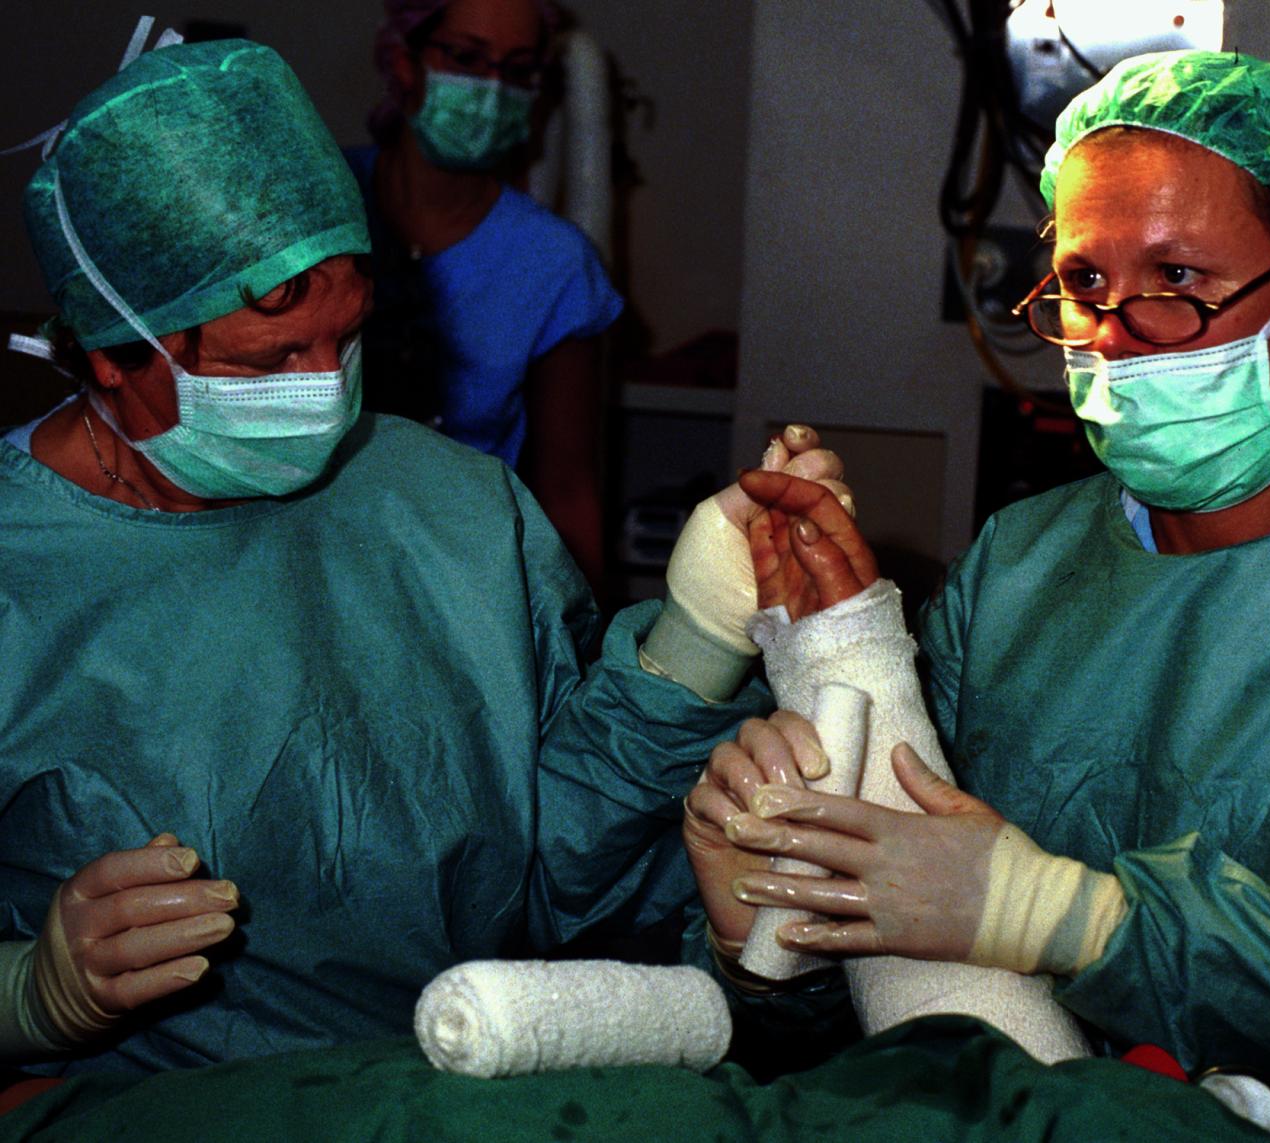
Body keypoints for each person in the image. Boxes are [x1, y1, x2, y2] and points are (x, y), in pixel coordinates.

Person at [686, 51, 1270, 1142]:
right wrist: (772, 944)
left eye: (1177, 282)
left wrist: (1068, 919)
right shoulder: (1020, 566)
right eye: (1081, 286)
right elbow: (914, 1005)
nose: (1114, 339)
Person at [0, 31, 835, 1077]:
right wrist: (30, 994)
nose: (326, 387)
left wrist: (699, 636)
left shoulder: (452, 505)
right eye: (272, 361)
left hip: (462, 1081)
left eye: (345, 339)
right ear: (109, 352)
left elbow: (559, 863)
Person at [351, 0, 617, 584]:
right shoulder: (322, 208)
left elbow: (567, 490)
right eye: (467, 59)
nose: (492, 89)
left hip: (463, 581)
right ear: (403, 62)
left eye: (517, 70)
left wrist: (587, 649)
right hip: (314, 559)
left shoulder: (552, 264)